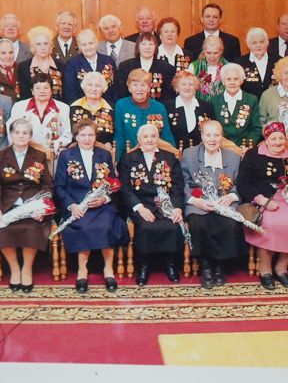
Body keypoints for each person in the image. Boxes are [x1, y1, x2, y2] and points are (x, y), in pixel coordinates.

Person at [237, 121, 288, 290]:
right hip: (263, 201)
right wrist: (262, 200)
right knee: (270, 224)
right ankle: (265, 270)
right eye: (273, 138)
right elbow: (243, 184)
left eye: (281, 138)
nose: (278, 142)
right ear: (266, 140)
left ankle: (281, 268)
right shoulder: (253, 155)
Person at [54, 119, 123, 293]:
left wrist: (104, 199)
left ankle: (108, 269)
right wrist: (72, 206)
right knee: (83, 225)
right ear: (76, 136)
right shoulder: (66, 155)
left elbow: (113, 185)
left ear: (95, 136)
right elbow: (59, 187)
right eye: (83, 135)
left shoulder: (104, 155)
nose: (87, 139)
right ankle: (82, 271)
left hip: (101, 205)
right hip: (77, 206)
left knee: (107, 224)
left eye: (90, 135)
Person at [0, 117, 54, 292]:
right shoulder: (1, 156)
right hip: (7, 204)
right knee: (1, 229)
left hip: (33, 205)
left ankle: (26, 269)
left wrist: (43, 206)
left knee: (33, 228)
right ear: (11, 135)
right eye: (17, 132)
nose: (20, 136)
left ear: (30, 136)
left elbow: (47, 185)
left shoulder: (39, 156)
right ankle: (14, 269)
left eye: (25, 133)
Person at [180, 119, 244, 288]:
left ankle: (220, 266)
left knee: (229, 224)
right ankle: (206, 265)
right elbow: (182, 182)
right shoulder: (189, 154)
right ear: (202, 136)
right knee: (199, 223)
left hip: (224, 202)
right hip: (198, 201)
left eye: (216, 135)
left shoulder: (234, 157)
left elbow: (240, 183)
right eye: (208, 135)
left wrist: (231, 196)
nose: (212, 139)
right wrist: (194, 200)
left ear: (222, 137)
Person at [120, 123, 186, 285]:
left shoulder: (170, 158)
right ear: (139, 139)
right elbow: (125, 188)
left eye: (153, 136)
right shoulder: (129, 158)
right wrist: (139, 208)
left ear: (158, 138)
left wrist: (177, 208)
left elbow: (178, 186)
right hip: (140, 204)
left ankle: (170, 264)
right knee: (145, 226)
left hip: (166, 204)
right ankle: (143, 266)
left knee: (172, 225)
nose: (149, 140)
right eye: (145, 137)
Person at [113, 68, 175, 157]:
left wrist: (173, 158)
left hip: (156, 157)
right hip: (129, 158)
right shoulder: (121, 105)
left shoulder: (159, 107)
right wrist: (115, 161)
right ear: (129, 88)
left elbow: (167, 135)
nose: (139, 89)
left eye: (143, 85)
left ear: (149, 88)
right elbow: (119, 136)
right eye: (135, 85)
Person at [10, 72, 71, 151]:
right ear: (32, 91)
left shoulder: (63, 108)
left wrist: (57, 143)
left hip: (52, 153)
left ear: (51, 91)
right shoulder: (19, 107)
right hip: (26, 153)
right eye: (38, 88)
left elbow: (67, 135)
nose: (42, 91)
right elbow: (11, 132)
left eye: (46, 88)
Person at [117, 32, 177, 107]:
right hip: (130, 108)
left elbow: (169, 95)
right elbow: (122, 92)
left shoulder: (166, 68)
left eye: (151, 44)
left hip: (157, 109)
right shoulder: (125, 66)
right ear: (138, 46)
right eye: (144, 44)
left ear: (156, 47)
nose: (147, 47)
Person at [211, 63, 261, 149]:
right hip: (221, 147)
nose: (232, 83)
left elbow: (256, 128)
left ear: (241, 81)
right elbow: (212, 128)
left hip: (244, 148)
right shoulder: (214, 101)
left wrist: (247, 146)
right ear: (223, 82)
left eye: (236, 79)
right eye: (228, 79)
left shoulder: (251, 99)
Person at [62, 28, 117, 104]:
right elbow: (70, 91)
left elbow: (115, 88)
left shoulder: (108, 61)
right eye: (84, 44)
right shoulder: (72, 64)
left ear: (96, 43)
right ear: (79, 46)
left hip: (107, 106)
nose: (88, 47)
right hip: (81, 107)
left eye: (91, 43)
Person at [167, 71, 214, 150]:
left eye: (191, 84)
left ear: (196, 87)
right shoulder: (167, 106)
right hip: (174, 153)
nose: (187, 88)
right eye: (183, 84)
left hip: (200, 152)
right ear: (176, 87)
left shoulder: (206, 106)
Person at [69, 71, 116, 149]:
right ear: (84, 87)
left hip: (104, 151)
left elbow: (116, 133)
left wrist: (110, 143)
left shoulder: (111, 109)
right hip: (77, 150)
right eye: (90, 85)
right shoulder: (73, 108)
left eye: (97, 86)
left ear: (103, 89)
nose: (93, 89)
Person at [18, 25, 64, 100]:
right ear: (33, 47)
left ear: (51, 46)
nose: (42, 48)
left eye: (45, 44)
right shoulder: (24, 67)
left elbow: (64, 94)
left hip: (57, 106)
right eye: (38, 44)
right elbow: (24, 94)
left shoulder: (60, 66)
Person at [233, 27, 273, 98]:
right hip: (248, 103)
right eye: (254, 43)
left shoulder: (278, 61)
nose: (258, 46)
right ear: (248, 45)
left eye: (261, 42)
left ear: (267, 42)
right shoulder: (239, 63)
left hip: (271, 102)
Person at [188, 35, 227, 100]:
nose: (212, 56)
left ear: (221, 51)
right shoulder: (194, 67)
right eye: (208, 53)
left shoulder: (228, 68)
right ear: (204, 51)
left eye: (215, 53)